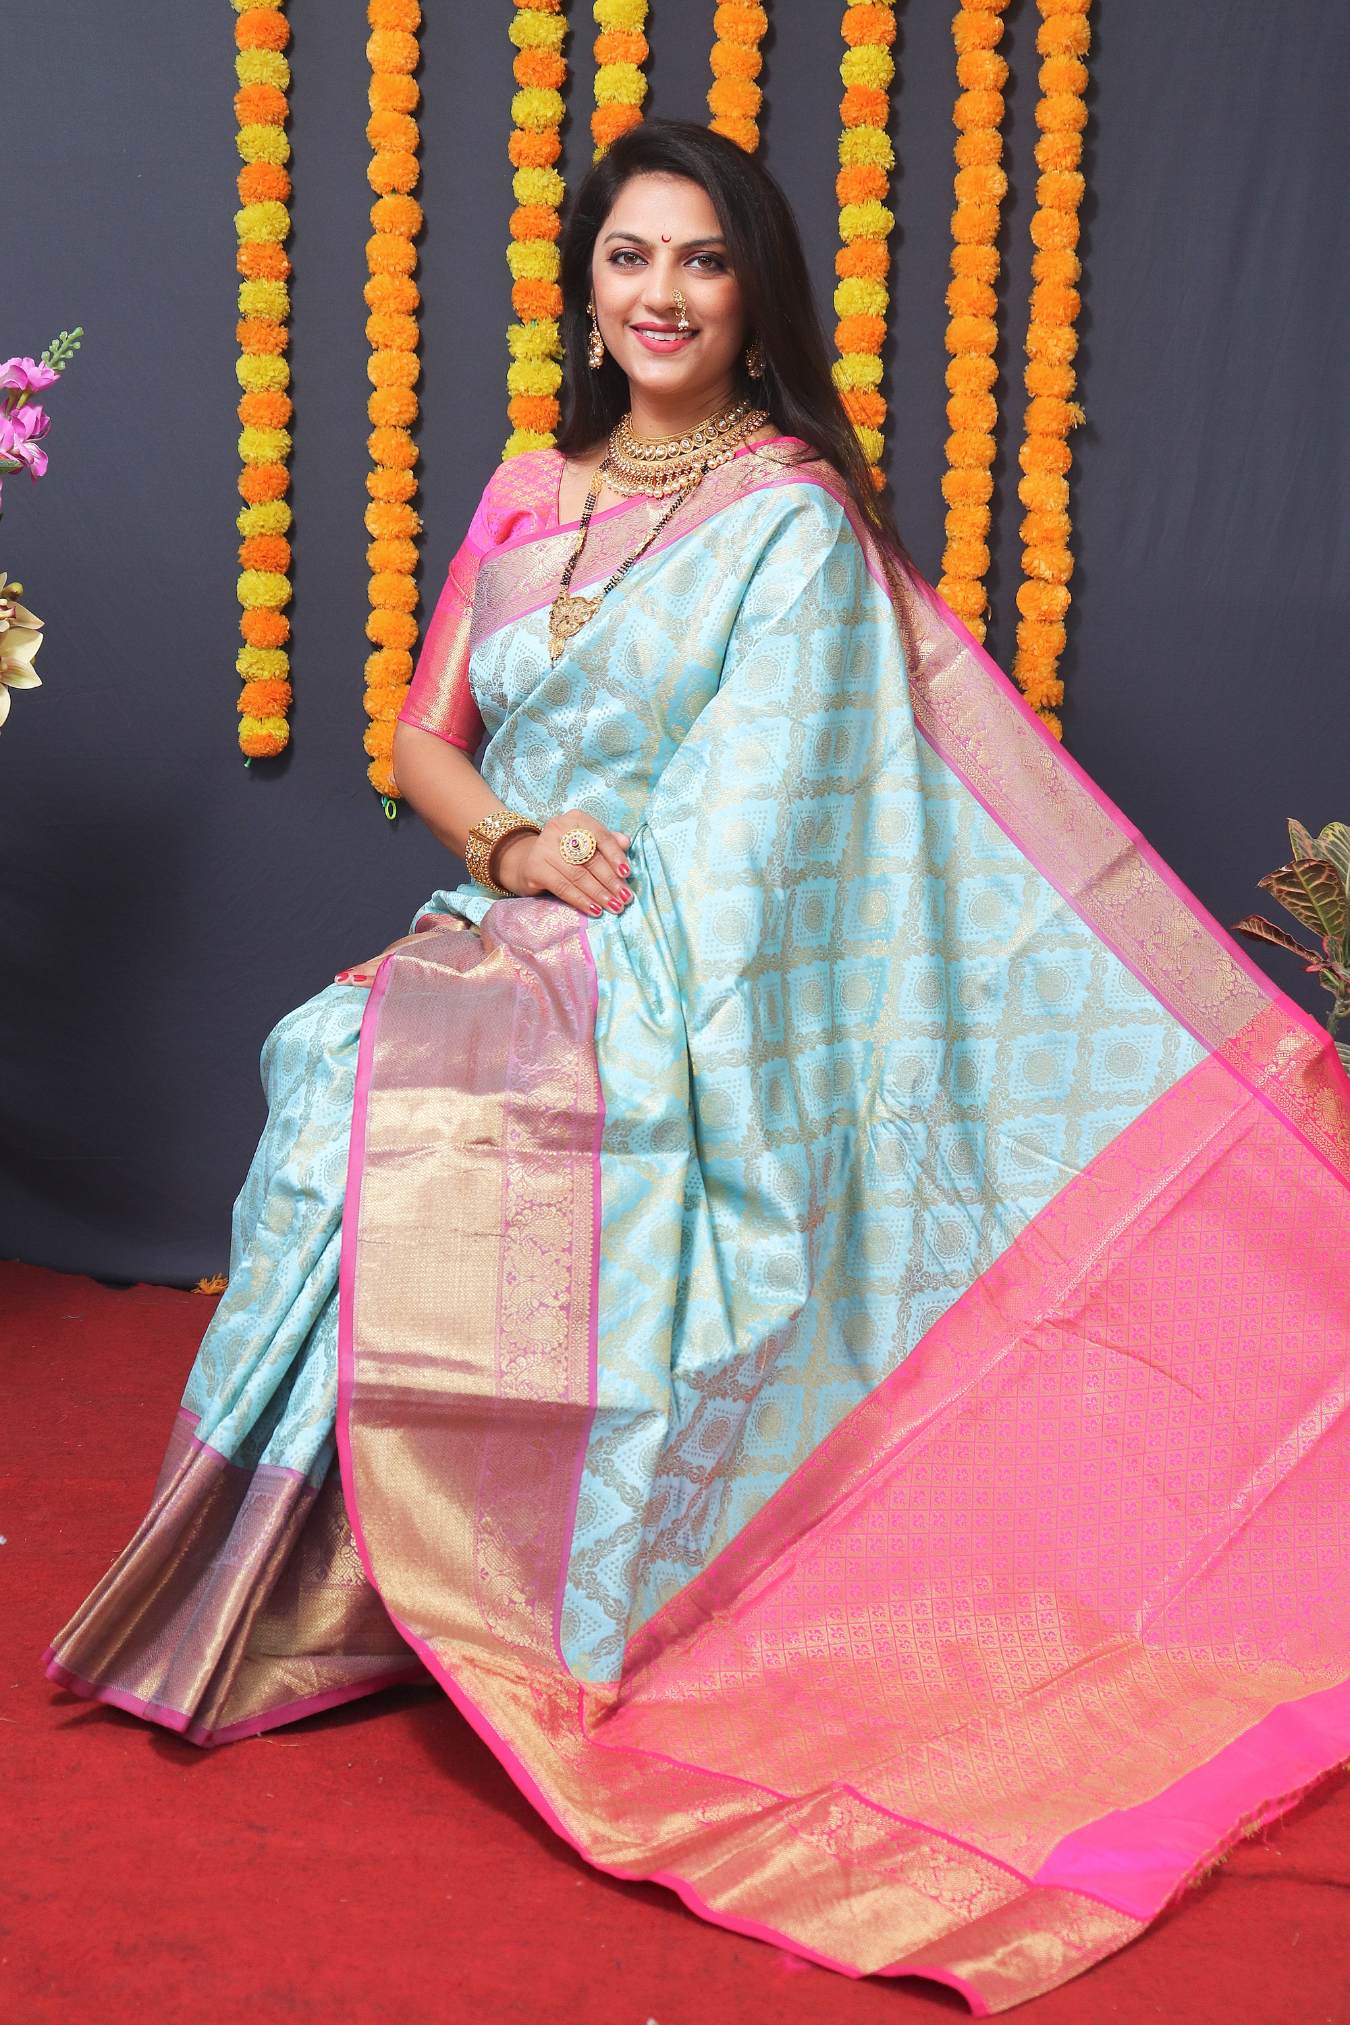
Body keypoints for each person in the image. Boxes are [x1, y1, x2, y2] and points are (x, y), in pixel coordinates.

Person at [43, 119, 1350, 2014]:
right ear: (585, 282)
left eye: (702, 263)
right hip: (506, 920)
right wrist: (508, 853)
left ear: (757, 295)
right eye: (629, 258)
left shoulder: (792, 523)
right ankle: (295, 1599)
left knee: (405, 1095)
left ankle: (465, 1587)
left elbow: (761, 842)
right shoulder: (521, 485)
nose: (659, 295)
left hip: (667, 968)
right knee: (334, 1069)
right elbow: (422, 740)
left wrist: (600, 952)